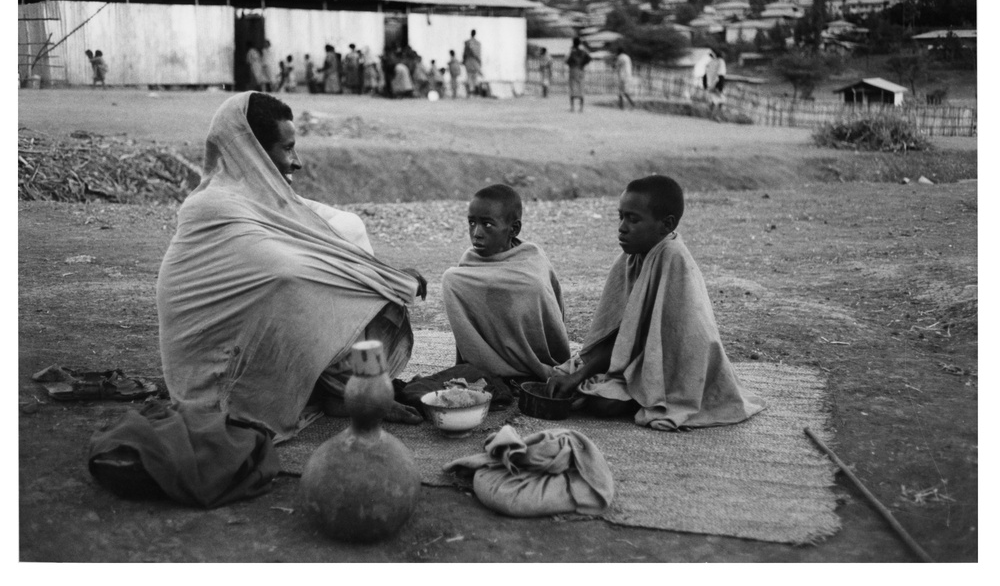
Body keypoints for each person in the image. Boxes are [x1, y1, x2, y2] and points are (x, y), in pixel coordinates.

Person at [156, 92, 428, 441]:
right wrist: (386, 279)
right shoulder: (213, 206)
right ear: (251, 151)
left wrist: (381, 275)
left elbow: (329, 233)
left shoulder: (265, 199)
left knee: (348, 227)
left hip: (251, 345)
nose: (296, 161)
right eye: (286, 148)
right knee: (305, 286)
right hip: (217, 377)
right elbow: (287, 271)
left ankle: (342, 386)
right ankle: (345, 385)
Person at [546, 174, 765, 431]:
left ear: (666, 224)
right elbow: (619, 335)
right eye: (621, 216)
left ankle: (634, 396)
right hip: (638, 362)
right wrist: (578, 376)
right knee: (566, 382)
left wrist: (594, 380)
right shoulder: (632, 257)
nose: (622, 227)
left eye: (633, 219)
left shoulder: (673, 259)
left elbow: (676, 350)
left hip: (679, 371)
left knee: (604, 404)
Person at [441, 184, 571, 381]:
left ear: (514, 229)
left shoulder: (532, 260)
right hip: (484, 367)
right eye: (471, 223)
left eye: (487, 224)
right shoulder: (465, 268)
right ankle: (491, 365)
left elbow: (552, 312)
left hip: (537, 361)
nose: (476, 233)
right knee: (450, 278)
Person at [566, 37, 591, 113]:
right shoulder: (583, 51)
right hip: (581, 70)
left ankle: (572, 107)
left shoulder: (572, 52)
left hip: (573, 70)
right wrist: (583, 64)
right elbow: (589, 58)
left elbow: (567, 61)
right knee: (581, 88)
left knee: (572, 88)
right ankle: (581, 108)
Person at [703, 51, 727, 121]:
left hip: (709, 85)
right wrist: (720, 88)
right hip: (716, 85)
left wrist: (705, 86)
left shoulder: (711, 62)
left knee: (713, 100)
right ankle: (716, 116)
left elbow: (705, 75)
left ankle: (710, 115)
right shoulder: (721, 62)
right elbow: (721, 75)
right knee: (722, 101)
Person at [462, 29, 482, 96]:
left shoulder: (467, 42)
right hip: (476, 63)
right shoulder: (478, 43)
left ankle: (470, 92)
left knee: (469, 77)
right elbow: (479, 54)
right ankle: (476, 92)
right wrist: (479, 63)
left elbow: (465, 53)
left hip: (469, 62)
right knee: (475, 78)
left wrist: (463, 61)